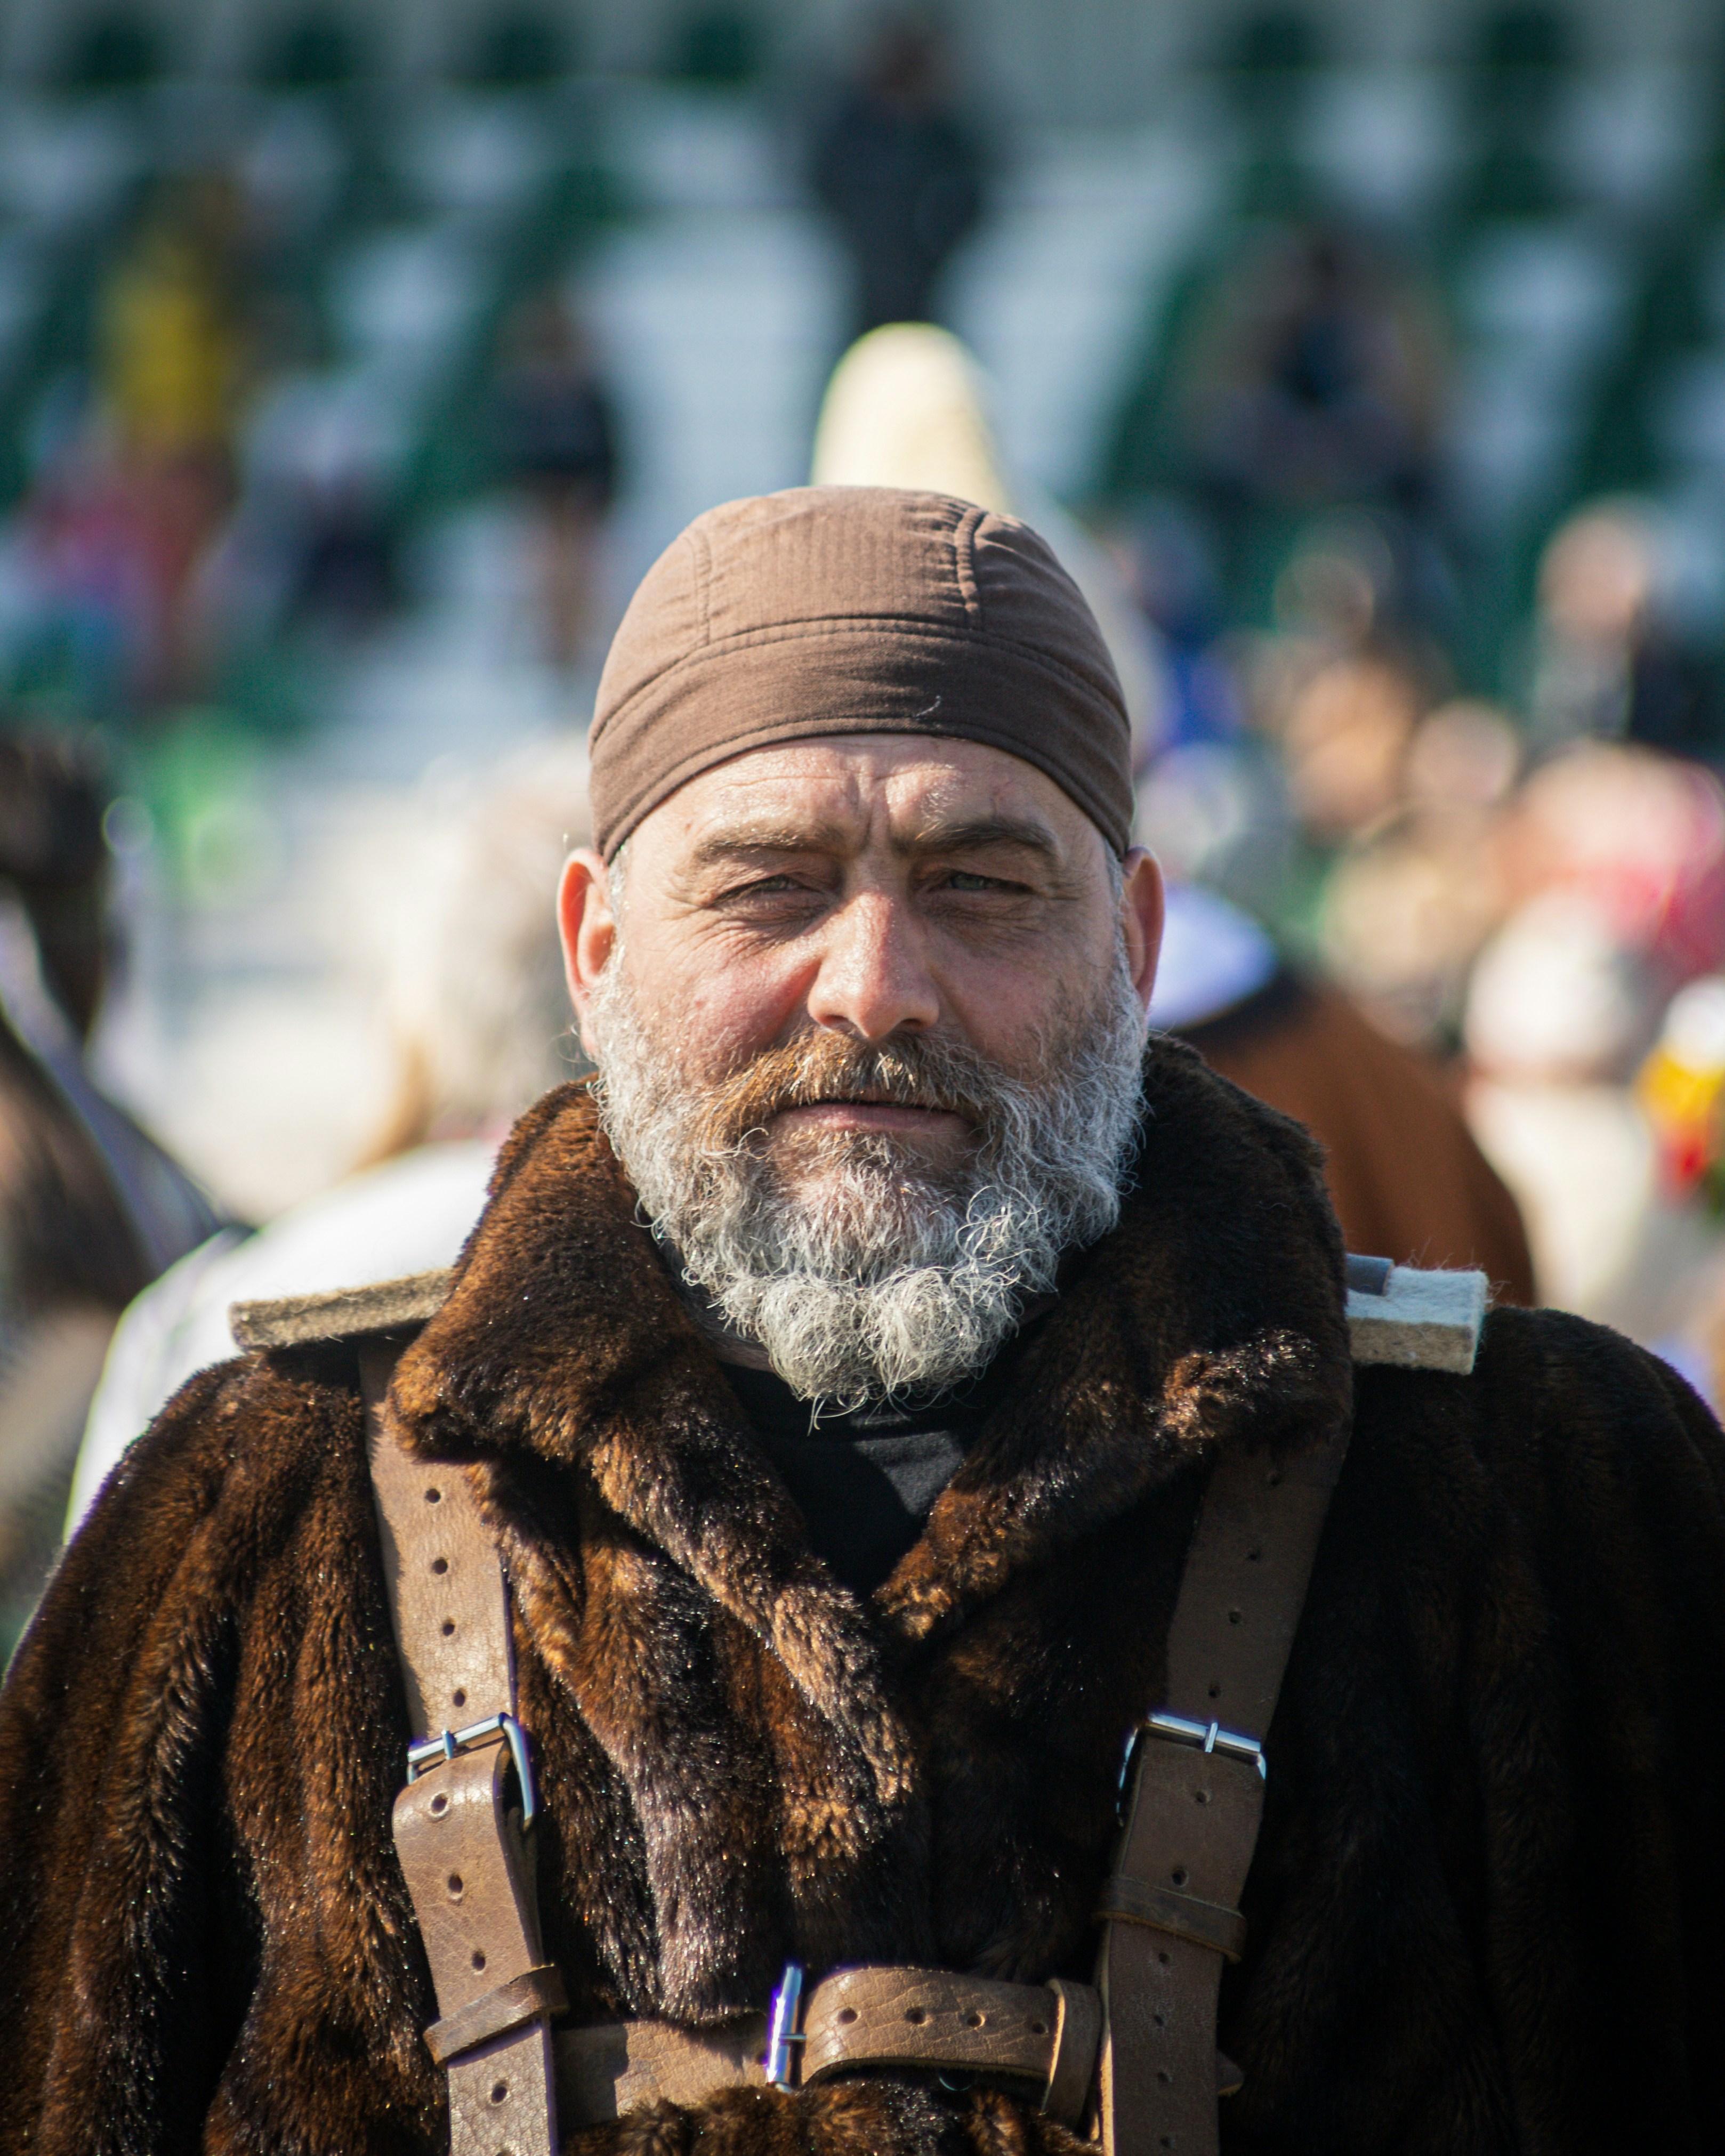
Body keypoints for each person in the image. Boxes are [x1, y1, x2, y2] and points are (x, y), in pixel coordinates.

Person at [2, 488, 1722, 2154]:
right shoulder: (263, 1510)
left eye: (982, 883)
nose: (874, 981)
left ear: (1131, 938)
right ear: (594, 948)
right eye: (769, 884)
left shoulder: (1545, 1501)